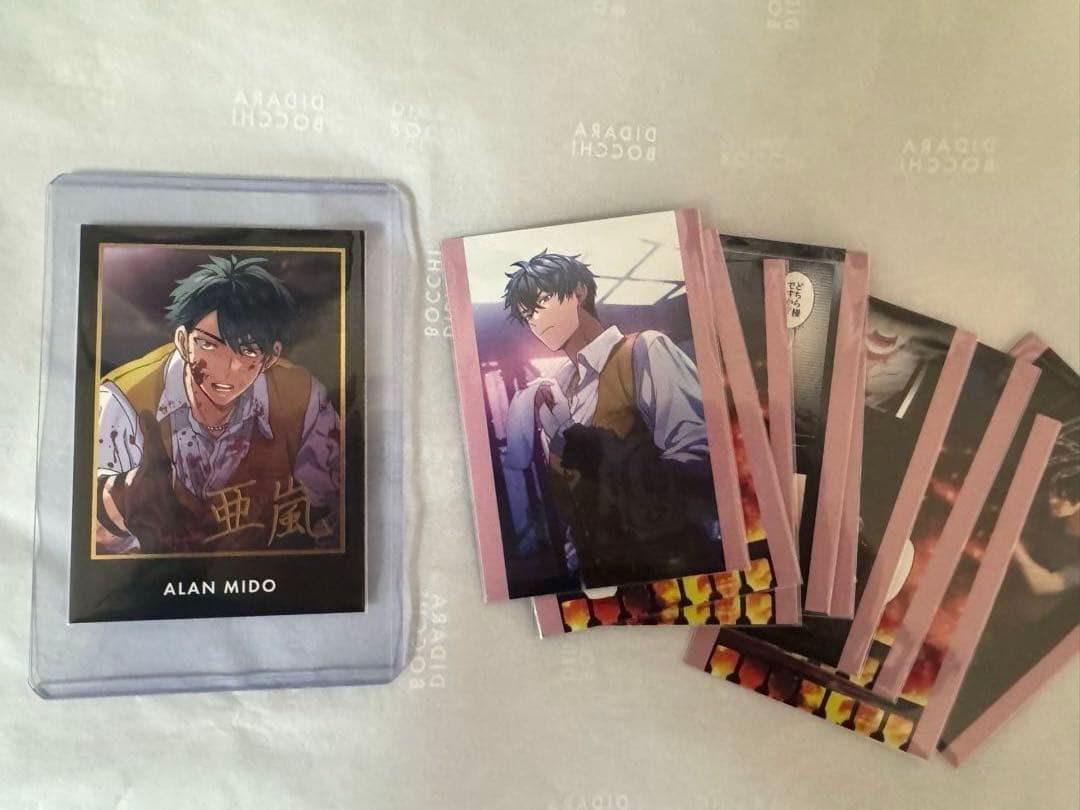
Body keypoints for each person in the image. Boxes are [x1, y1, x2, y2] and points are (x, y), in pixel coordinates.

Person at [500, 250, 722, 586]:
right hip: (599, 578)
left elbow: (705, 462)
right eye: (527, 314)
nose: (536, 320)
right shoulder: (554, 392)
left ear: (578, 291)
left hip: (672, 565)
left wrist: (608, 458)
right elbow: (574, 502)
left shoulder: (644, 350)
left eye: (543, 301)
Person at [94, 254, 341, 554]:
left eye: (248, 351)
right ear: (183, 342)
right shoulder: (122, 401)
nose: (228, 368)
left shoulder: (302, 397)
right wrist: (123, 496)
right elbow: (88, 531)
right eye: (209, 345)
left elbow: (334, 511)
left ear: (271, 356)